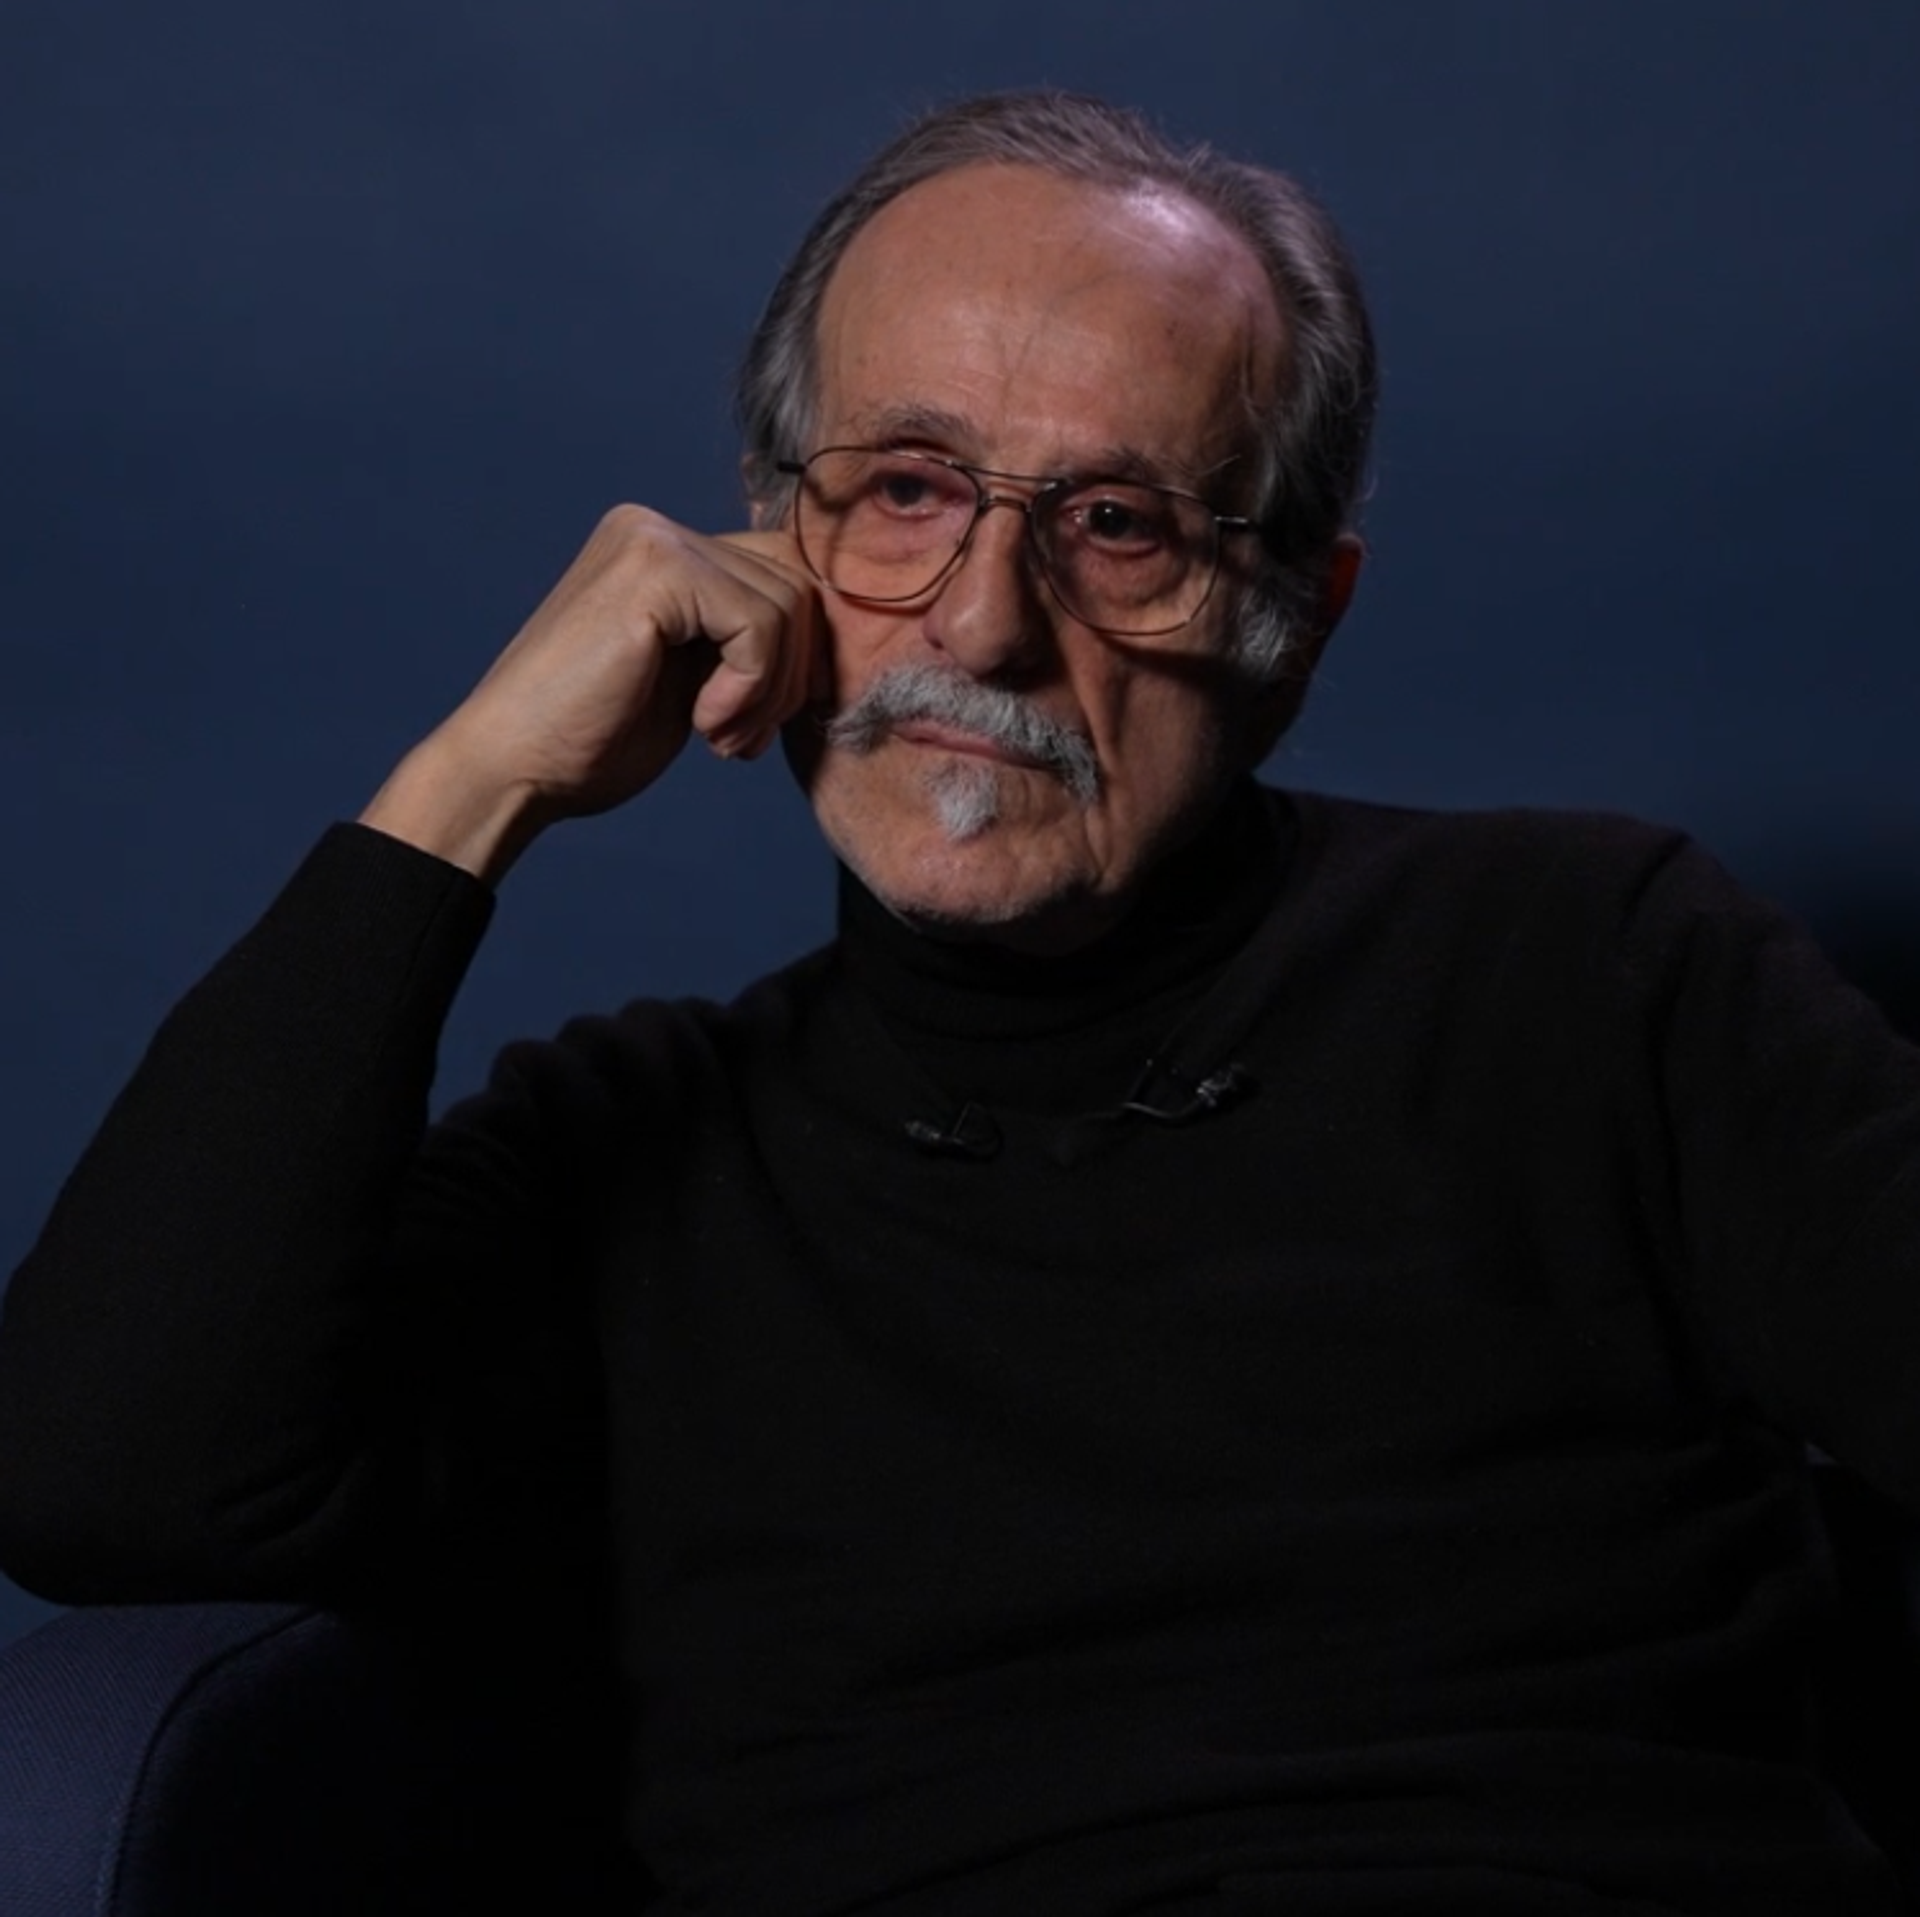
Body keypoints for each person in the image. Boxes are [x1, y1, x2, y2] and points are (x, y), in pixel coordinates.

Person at [0, 88, 1915, 1915]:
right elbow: (97, 1477)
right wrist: (470, 784)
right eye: (905, 491)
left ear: (1298, 619)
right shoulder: (632, 1153)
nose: (983, 626)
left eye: (1119, 524)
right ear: (769, 544)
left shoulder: (1592, 966)